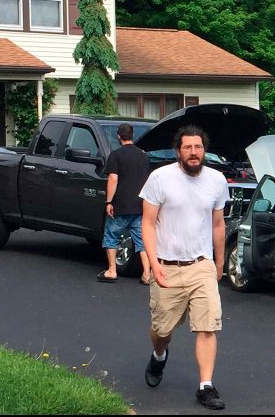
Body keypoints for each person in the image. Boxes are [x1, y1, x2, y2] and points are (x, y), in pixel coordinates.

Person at [139, 124, 229, 411]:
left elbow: (218, 224)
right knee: (161, 329)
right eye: (188, 147)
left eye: (199, 147)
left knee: (207, 325)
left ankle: (206, 386)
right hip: (167, 266)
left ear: (205, 150)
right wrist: (153, 263)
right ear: (178, 150)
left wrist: (219, 262)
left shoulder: (216, 180)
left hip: (201, 266)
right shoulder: (160, 178)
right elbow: (148, 223)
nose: (194, 152)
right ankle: (159, 354)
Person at [97, 123, 151, 284]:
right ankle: (147, 275)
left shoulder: (115, 155)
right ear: (132, 135)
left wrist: (109, 201)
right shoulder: (143, 156)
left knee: (111, 236)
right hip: (140, 205)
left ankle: (112, 270)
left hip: (120, 205)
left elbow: (113, 179)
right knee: (142, 241)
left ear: (118, 136)